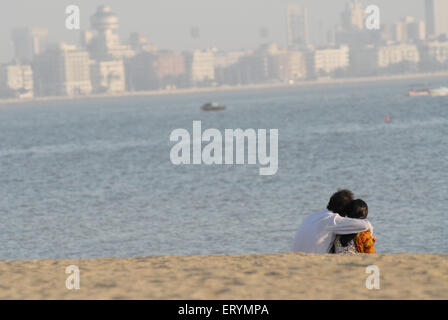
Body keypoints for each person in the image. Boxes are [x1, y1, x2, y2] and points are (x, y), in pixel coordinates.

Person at [292, 189, 372, 254]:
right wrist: (370, 235)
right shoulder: (333, 219)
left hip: (295, 256)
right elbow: (365, 225)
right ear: (344, 210)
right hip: (313, 261)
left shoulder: (312, 215)